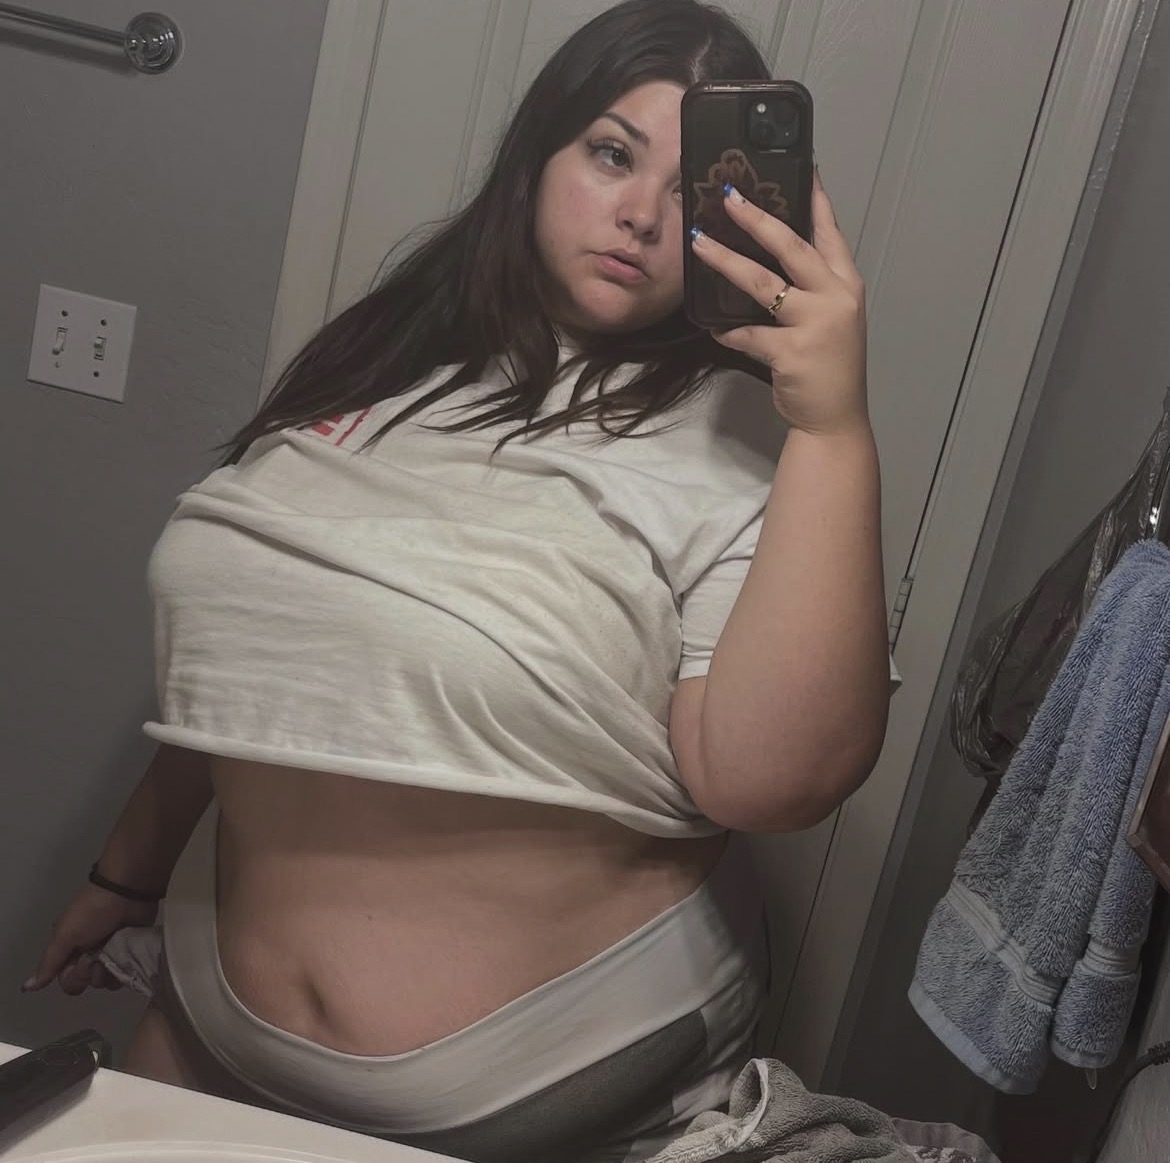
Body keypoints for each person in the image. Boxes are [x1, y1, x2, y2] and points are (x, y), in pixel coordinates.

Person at [25, 1, 892, 1159]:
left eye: (691, 190)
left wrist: (834, 427)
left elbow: (770, 781)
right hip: (203, 1014)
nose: (642, 214)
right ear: (538, 154)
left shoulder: (743, 445)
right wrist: (125, 874)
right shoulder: (379, 357)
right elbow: (262, 676)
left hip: (542, 1082)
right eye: (611, 153)